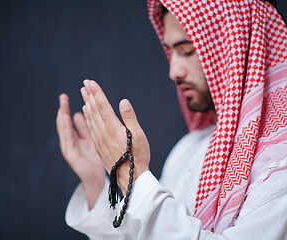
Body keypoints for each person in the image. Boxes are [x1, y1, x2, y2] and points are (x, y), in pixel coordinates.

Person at [56, 0, 287, 239]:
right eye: (170, 51)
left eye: (187, 50)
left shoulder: (280, 162)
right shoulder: (188, 149)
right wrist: (96, 183)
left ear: (237, 48)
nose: (173, 71)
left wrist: (130, 175)